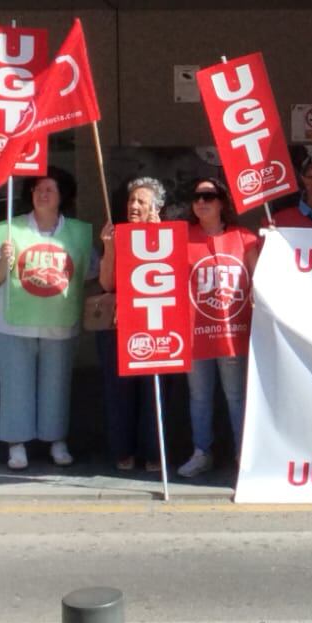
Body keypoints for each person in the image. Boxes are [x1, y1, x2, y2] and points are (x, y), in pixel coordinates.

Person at [0, 171, 93, 471]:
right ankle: (16, 444)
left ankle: (56, 440)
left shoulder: (79, 233)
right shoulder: (10, 229)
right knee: (15, 384)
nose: (42, 194)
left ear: (63, 195)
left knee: (57, 384)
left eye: (49, 189)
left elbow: (91, 274)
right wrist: (1, 261)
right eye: (37, 188)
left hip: (60, 322)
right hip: (14, 322)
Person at [96, 176, 181, 472]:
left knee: (154, 391)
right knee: (119, 393)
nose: (133, 205)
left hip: (157, 325)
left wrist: (159, 238)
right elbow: (106, 283)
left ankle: (154, 452)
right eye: (131, 200)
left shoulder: (168, 235)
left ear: (156, 208)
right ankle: (123, 451)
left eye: (141, 202)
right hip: (120, 327)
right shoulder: (116, 235)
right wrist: (109, 249)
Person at [181, 177, 261, 479]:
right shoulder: (182, 237)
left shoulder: (244, 237)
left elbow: (260, 278)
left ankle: (244, 454)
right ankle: (202, 452)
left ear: (222, 202)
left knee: (237, 395)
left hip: (232, 331)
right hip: (195, 332)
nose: (201, 201)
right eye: (196, 195)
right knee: (199, 397)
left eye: (209, 196)